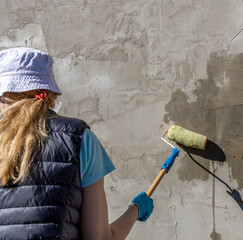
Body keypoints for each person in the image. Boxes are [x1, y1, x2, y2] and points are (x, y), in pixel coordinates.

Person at [0, 47, 154, 240]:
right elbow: (99, 238)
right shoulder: (80, 139)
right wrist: (135, 210)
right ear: (50, 94)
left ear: (5, 95)